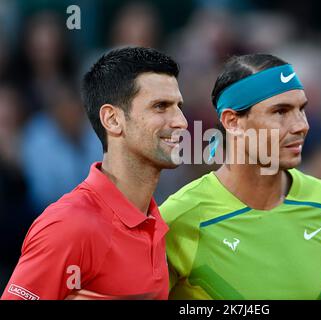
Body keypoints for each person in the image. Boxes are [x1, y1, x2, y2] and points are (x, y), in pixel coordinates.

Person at [1, 47, 187, 300]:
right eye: (160, 106)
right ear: (112, 120)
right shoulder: (70, 225)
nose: (181, 121)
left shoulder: (159, 223)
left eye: (178, 106)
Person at [160, 53, 321, 299]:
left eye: (302, 109)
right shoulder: (178, 218)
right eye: (280, 111)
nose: (302, 125)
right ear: (232, 122)